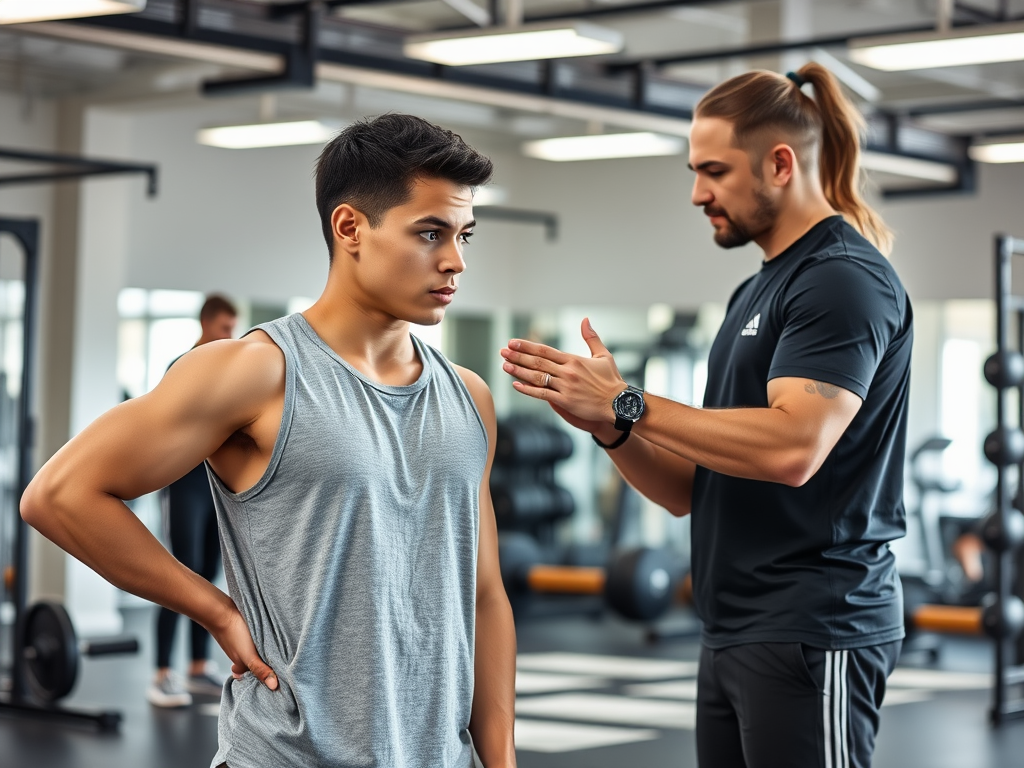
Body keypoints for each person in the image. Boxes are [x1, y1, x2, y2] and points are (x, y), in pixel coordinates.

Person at [22, 114, 516, 768]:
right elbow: (58, 496)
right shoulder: (255, 371)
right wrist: (217, 610)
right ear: (350, 229)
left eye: (463, 235)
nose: (454, 259)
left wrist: (501, 761)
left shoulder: (470, 397)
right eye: (429, 233)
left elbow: (483, 595)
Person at [501, 64, 912, 768]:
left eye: (714, 171)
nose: (697, 193)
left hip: (814, 629)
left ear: (780, 163)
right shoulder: (754, 292)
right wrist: (612, 427)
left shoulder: (841, 278)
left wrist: (630, 400)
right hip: (733, 630)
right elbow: (688, 490)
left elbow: (794, 447)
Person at [148, 294, 238, 708]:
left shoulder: (230, 368)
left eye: (232, 328)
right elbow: (169, 424)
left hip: (215, 489)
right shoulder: (182, 367)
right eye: (223, 328)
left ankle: (198, 668)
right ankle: (162, 673)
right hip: (183, 486)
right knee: (178, 578)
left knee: (207, 578)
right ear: (205, 324)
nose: (229, 335)